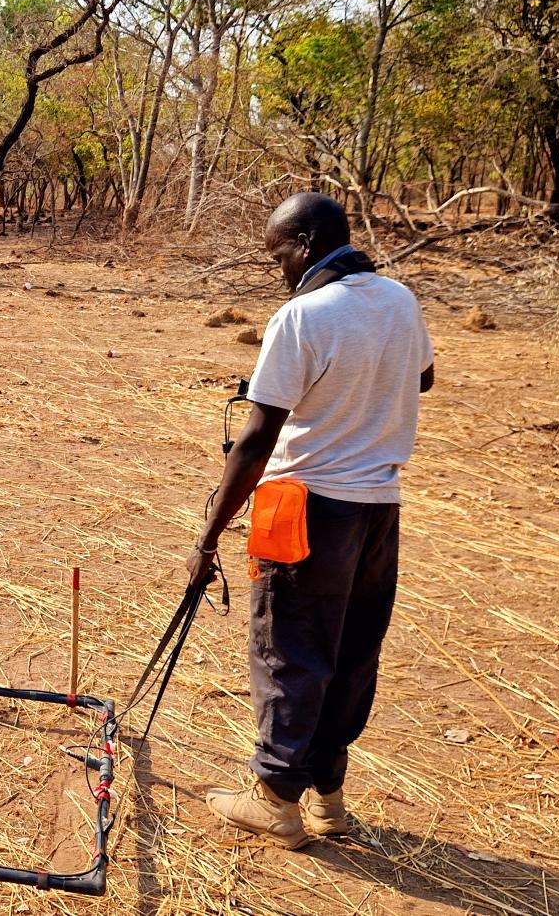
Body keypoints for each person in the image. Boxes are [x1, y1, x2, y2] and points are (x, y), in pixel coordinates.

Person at [186, 192, 434, 849]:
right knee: (351, 650)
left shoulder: (301, 316)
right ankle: (328, 794)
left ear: (306, 243)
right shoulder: (400, 301)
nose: (280, 272)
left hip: (305, 505)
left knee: (290, 648)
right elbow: (424, 378)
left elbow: (256, 437)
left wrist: (208, 536)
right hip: (378, 507)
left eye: (280, 257)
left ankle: (274, 798)